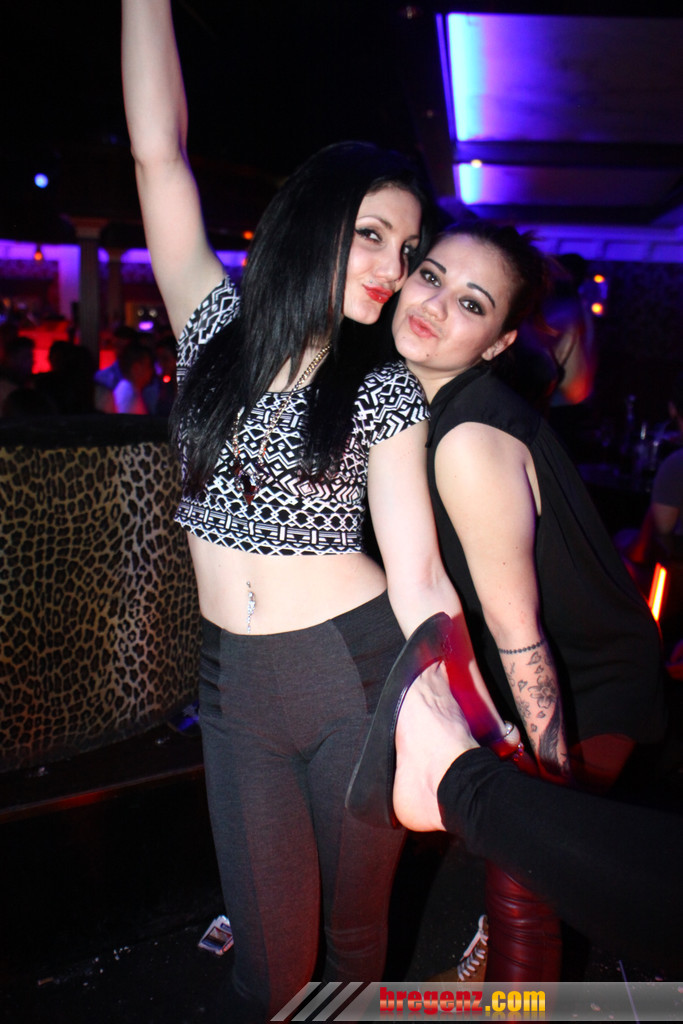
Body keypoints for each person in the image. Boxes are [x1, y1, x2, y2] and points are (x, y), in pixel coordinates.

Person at [121, 2, 505, 1019]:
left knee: (353, 943)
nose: (391, 268)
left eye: (406, 247)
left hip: (355, 673)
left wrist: (468, 708)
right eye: (371, 234)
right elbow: (159, 155)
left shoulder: (380, 389)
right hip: (232, 683)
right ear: (313, 218)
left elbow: (418, 572)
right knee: (271, 967)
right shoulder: (212, 322)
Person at [390, 223, 667, 980]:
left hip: (587, 677)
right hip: (563, 659)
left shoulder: (467, 441)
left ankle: (511, 986)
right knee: (523, 849)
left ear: (497, 343)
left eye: (471, 303)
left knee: (530, 858)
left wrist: (545, 787)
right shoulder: (422, 406)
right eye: (432, 277)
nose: (435, 304)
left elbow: (522, 637)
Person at [346, 621, 682, 974]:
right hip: (537, 697)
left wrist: (550, 782)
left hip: (600, 691)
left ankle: (457, 784)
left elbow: (517, 632)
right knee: (527, 876)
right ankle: (460, 788)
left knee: (528, 874)